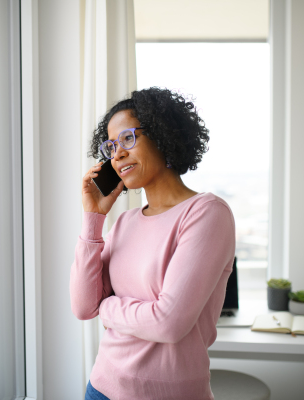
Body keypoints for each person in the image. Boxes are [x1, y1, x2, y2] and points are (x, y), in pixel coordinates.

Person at [70, 87, 236, 400]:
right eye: (111, 146)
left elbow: (168, 323)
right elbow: (81, 306)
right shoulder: (125, 222)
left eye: (128, 139)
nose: (117, 154)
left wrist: (106, 308)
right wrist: (93, 218)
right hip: (101, 389)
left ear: (162, 135)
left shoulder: (207, 214)